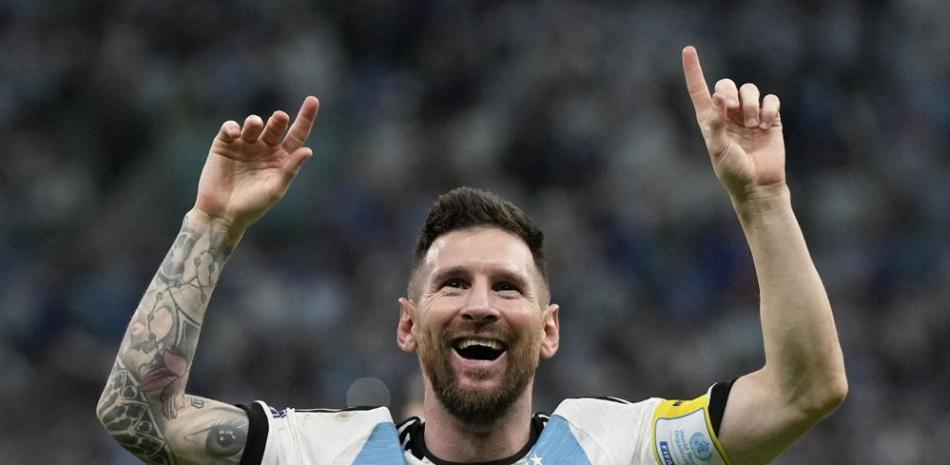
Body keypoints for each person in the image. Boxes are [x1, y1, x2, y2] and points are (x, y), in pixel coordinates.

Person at [97, 47, 847, 465]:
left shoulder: (621, 445)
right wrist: (213, 223)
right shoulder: (322, 453)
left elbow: (803, 391)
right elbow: (138, 415)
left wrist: (764, 202)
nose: (481, 302)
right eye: (453, 282)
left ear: (550, 328)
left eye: (508, 287)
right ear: (407, 323)